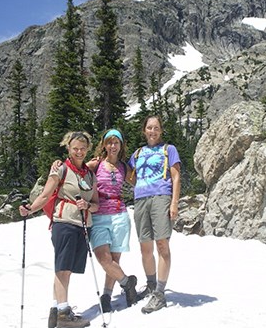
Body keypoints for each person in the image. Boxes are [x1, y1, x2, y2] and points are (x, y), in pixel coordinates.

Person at [19, 131, 99, 328]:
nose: (79, 152)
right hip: (64, 222)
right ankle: (63, 313)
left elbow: (96, 204)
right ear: (68, 149)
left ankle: (56, 311)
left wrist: (87, 206)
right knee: (62, 268)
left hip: (82, 225)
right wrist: (30, 208)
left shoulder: (89, 175)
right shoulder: (60, 169)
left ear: (87, 149)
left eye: (82, 148)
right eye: (75, 149)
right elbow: (46, 195)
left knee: (66, 269)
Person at [128, 115, 181, 314]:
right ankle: (150, 285)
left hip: (161, 197)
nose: (152, 131)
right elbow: (128, 173)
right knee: (145, 246)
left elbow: (176, 176)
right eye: (149, 128)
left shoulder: (169, 150)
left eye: (156, 128)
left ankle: (159, 293)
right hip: (141, 200)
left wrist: (174, 202)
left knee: (162, 244)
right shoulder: (138, 153)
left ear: (161, 131)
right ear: (144, 130)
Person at [85, 129, 137, 312]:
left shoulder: (124, 167)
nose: (113, 146)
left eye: (116, 143)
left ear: (121, 145)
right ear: (104, 145)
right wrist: (60, 166)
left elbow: (140, 181)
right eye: (109, 142)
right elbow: (77, 170)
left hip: (120, 215)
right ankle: (127, 283)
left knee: (114, 259)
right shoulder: (96, 164)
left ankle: (107, 296)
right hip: (98, 215)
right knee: (104, 259)